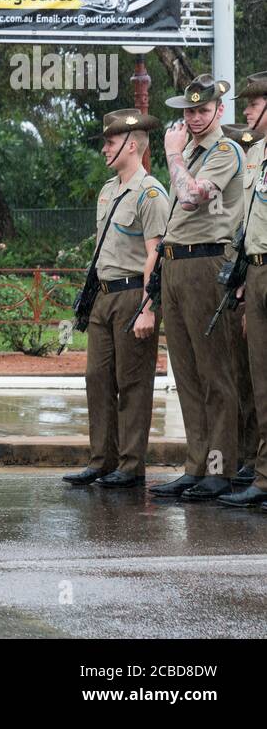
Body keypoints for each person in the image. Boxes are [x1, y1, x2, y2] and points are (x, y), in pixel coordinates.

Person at [150, 75, 245, 501]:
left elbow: (191, 198)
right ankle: (196, 465)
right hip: (175, 265)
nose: (194, 117)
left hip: (208, 263)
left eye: (202, 110)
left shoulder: (225, 151)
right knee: (186, 375)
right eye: (189, 111)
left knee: (215, 374)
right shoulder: (188, 151)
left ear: (219, 112)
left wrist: (172, 155)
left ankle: (220, 469)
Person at [62, 109, 167, 490]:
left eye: (110, 142)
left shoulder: (151, 192)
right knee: (98, 378)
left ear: (132, 145)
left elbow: (155, 255)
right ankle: (101, 460)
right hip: (104, 296)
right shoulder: (108, 191)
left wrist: (148, 307)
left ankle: (131, 464)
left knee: (133, 380)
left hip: (131, 295)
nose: (105, 148)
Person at [220, 72, 267, 508]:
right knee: (255, 378)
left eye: (253, 104)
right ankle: (257, 471)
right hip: (251, 272)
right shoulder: (257, 160)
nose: (247, 111)